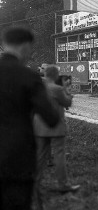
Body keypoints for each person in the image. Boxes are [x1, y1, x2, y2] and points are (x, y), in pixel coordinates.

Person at [0, 27, 59, 210]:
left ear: (4, 45)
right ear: (25, 46)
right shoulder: (29, 76)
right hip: (18, 158)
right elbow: (50, 118)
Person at [33, 65, 80, 195]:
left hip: (40, 126)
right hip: (56, 126)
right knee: (59, 155)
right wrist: (68, 91)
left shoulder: (37, 87)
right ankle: (63, 184)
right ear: (56, 75)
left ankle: (34, 183)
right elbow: (67, 103)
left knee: (40, 156)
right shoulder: (57, 89)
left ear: (45, 74)